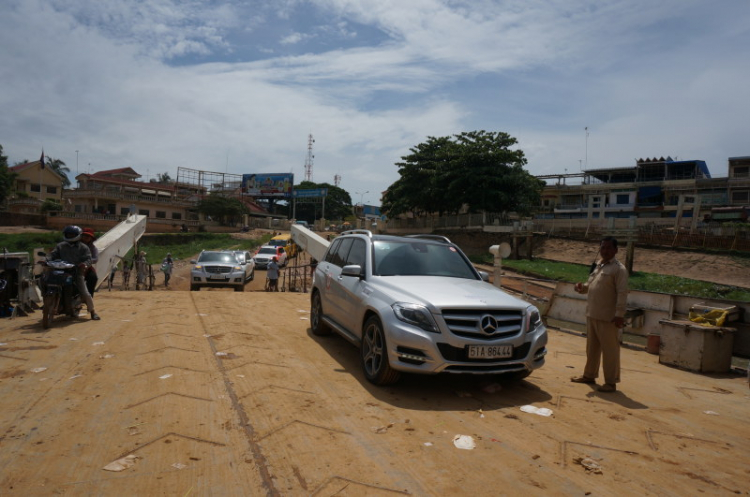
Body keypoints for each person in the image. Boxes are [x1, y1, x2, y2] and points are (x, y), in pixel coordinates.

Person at [571, 236, 629, 392]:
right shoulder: (599, 266)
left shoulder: (619, 269)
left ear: (616, 250)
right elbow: (589, 286)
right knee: (592, 349)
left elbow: (622, 293)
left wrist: (619, 315)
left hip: (608, 317)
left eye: (609, 248)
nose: (605, 251)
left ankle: (611, 382)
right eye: (603, 247)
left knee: (610, 351)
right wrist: (581, 288)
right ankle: (589, 375)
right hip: (592, 314)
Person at [49, 226, 100, 320]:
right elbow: (53, 255)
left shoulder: (84, 247)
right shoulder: (61, 246)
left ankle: (92, 311)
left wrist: (84, 264)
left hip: (77, 272)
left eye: (72, 234)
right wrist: (46, 260)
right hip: (62, 271)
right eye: (68, 234)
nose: (70, 236)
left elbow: (89, 259)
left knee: (85, 292)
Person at [81, 228, 99, 297]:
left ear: (91, 238)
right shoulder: (74, 246)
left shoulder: (93, 248)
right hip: (73, 265)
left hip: (86, 267)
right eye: (84, 235)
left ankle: (89, 296)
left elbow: (96, 258)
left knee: (93, 278)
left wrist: (87, 261)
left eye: (88, 236)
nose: (86, 237)